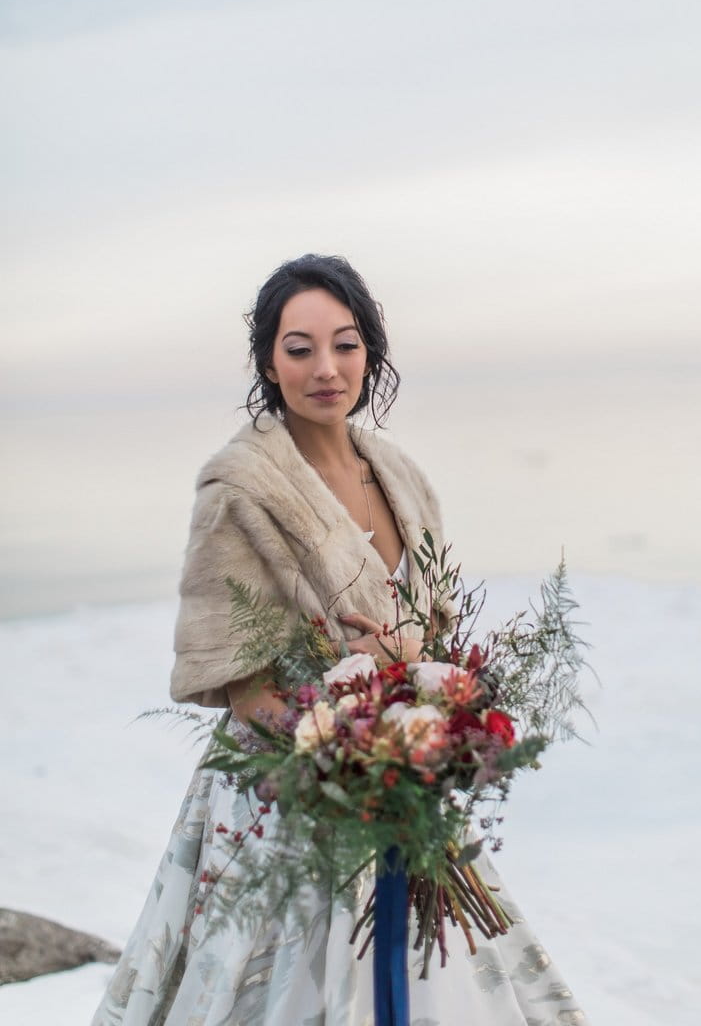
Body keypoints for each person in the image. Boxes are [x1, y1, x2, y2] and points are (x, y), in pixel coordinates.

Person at [92, 254, 588, 1025]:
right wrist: (338, 751)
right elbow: (239, 680)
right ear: (269, 360)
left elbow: (433, 641)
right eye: (300, 348)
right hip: (283, 801)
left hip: (399, 794)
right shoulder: (241, 486)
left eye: (346, 344)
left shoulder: (404, 476)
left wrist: (420, 701)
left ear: (371, 351)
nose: (326, 368)